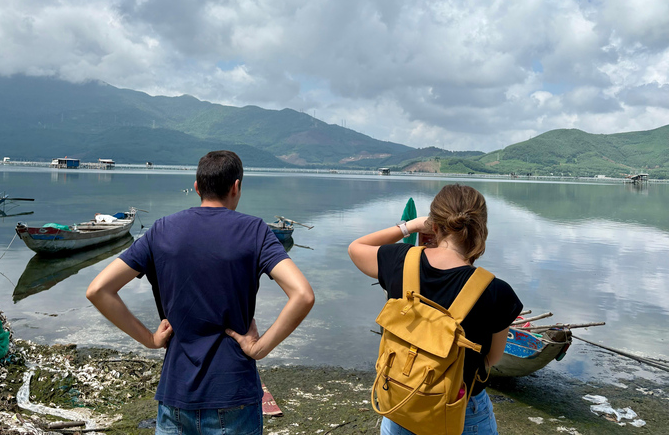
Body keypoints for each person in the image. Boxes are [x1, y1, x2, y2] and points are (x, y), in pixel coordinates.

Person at [87, 150, 314, 435]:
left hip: (176, 394)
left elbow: (98, 290)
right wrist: (260, 347)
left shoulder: (161, 230)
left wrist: (149, 339)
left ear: (197, 188)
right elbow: (303, 295)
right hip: (234, 393)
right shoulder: (255, 231)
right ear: (236, 187)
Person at [347, 184, 522, 435]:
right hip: (460, 409)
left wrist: (411, 226)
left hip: (399, 399)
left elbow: (356, 248)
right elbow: (492, 358)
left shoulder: (401, 260)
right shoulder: (497, 291)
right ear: (481, 229)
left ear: (435, 226)